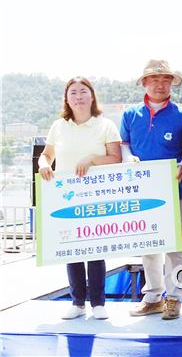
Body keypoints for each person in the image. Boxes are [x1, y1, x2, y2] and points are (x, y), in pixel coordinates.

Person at [38, 76, 122, 320]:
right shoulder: (58, 126)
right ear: (67, 98)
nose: (78, 96)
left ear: (92, 96)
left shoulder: (105, 125)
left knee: (95, 249)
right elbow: (46, 155)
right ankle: (77, 302)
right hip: (67, 196)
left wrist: (91, 159)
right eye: (73, 92)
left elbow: (115, 157)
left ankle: (98, 303)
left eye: (83, 91)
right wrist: (44, 164)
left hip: (96, 194)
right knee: (71, 249)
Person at [122, 60, 182, 320]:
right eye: (154, 79)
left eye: (165, 80)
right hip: (142, 189)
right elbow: (124, 143)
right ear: (144, 83)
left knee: (175, 248)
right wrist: (128, 157)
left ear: (171, 83)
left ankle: (174, 298)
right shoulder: (131, 114)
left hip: (174, 189)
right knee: (148, 244)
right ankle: (152, 297)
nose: (160, 84)